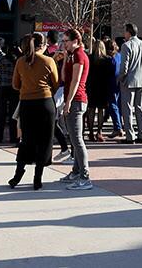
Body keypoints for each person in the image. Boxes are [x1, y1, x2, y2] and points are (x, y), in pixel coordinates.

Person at [10, 32, 60, 190]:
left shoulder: (20, 61)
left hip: (26, 104)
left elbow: (15, 85)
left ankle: (18, 174)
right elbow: (56, 83)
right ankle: (37, 178)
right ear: (44, 45)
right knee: (45, 141)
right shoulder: (48, 61)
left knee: (26, 140)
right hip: (45, 103)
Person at [58, 29, 93, 190]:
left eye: (66, 41)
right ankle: (76, 171)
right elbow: (64, 78)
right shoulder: (72, 56)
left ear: (75, 41)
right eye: (63, 41)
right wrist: (65, 59)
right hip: (72, 99)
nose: (64, 43)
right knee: (73, 138)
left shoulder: (80, 56)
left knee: (77, 139)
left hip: (77, 100)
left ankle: (85, 176)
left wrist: (69, 102)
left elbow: (75, 81)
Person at [117, 23, 142, 144]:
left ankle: (130, 136)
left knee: (127, 109)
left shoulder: (126, 46)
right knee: (140, 108)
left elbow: (124, 66)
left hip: (129, 81)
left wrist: (121, 78)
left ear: (128, 32)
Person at [86, 39, 112, 142]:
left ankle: (91, 132)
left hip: (91, 86)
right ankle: (99, 131)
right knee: (101, 110)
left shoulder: (89, 58)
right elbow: (110, 75)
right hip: (103, 87)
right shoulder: (107, 60)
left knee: (91, 109)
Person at [0, 42, 20, 144]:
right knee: (13, 113)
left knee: (1, 112)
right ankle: (13, 137)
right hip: (13, 88)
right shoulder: (17, 61)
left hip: (3, 86)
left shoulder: (2, 60)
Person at [103, 39, 125, 139]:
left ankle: (117, 127)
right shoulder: (119, 56)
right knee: (118, 105)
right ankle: (120, 125)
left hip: (111, 83)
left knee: (113, 105)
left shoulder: (109, 59)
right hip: (119, 82)